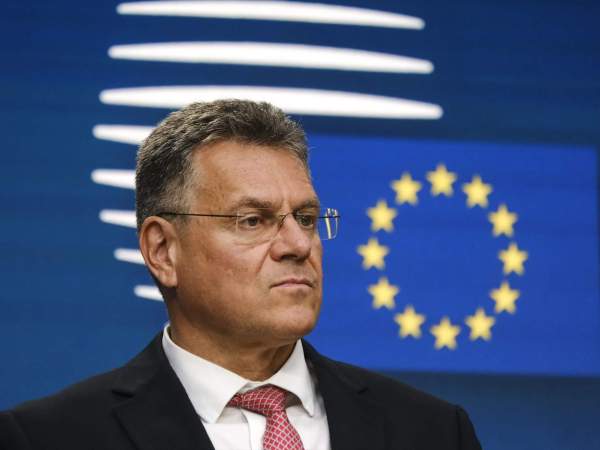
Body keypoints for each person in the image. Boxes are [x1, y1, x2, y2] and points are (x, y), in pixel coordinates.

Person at [0, 100, 482, 450]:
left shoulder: (434, 432)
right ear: (163, 250)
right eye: (253, 221)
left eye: (306, 218)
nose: (298, 245)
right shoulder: (48, 438)